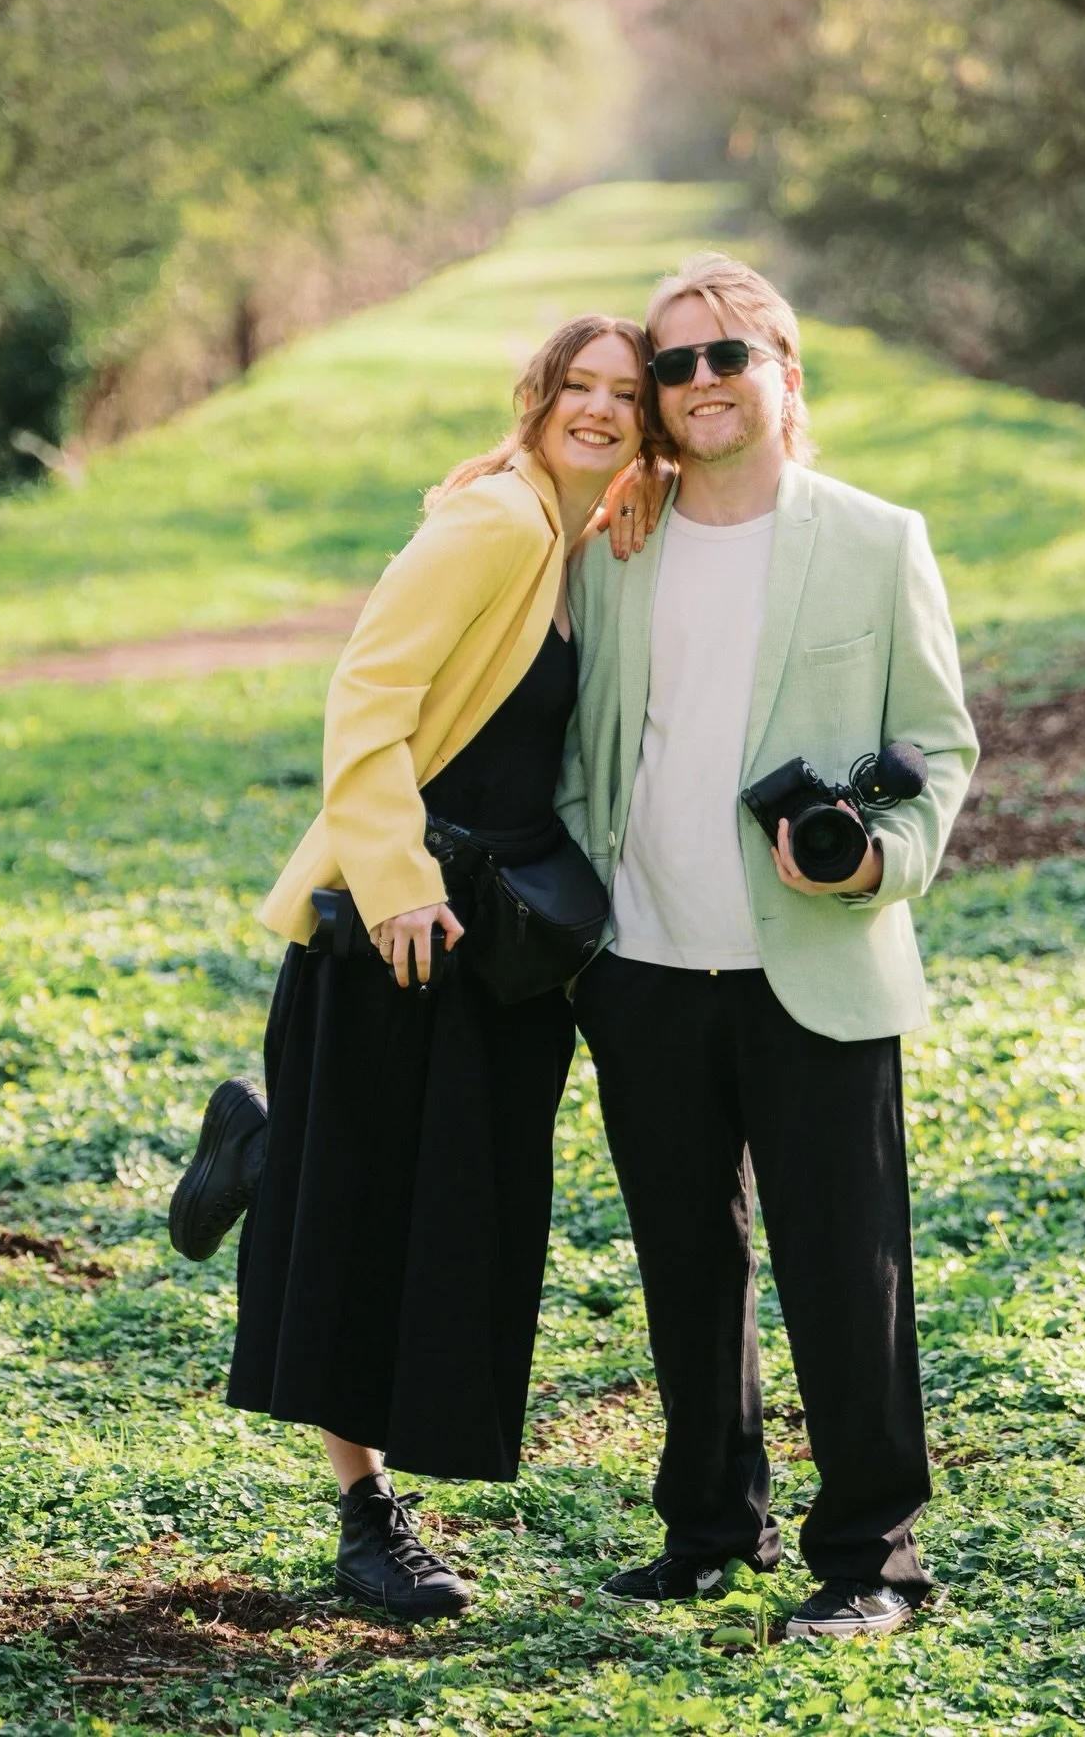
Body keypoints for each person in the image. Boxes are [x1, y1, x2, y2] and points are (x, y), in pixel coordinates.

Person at [168, 314, 651, 1620]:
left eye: (626, 395)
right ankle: (366, 1518)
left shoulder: (570, 531)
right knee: (377, 1225)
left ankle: (271, 1156)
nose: (600, 410)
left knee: (446, 1203)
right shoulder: (494, 524)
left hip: (497, 938)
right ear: (539, 396)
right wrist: (393, 885)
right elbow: (363, 698)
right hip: (408, 923)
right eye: (580, 388)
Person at [559, 254, 978, 1639]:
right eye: (671, 366)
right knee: (687, 1264)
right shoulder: (616, 546)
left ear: (785, 373)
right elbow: (586, 748)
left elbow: (948, 745)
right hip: (647, 967)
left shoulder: (877, 537)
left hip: (819, 963)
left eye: (723, 356)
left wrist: (876, 856)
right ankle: (707, 1528)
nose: (696, 385)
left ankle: (872, 1562)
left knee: (844, 1267)